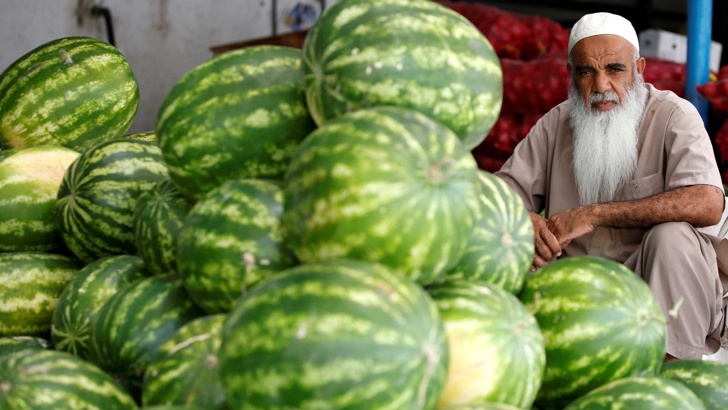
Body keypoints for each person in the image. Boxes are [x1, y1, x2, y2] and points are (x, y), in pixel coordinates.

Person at [495, 12, 728, 361]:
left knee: (673, 237)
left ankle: (668, 375)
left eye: (615, 69)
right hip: (576, 289)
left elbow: (707, 202)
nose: (601, 85)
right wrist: (525, 218)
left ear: (639, 68)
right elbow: (499, 193)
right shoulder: (555, 124)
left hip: (654, 285)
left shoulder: (673, 115)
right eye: (586, 72)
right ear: (571, 75)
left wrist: (595, 215)